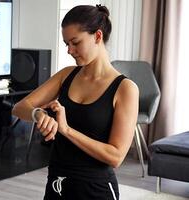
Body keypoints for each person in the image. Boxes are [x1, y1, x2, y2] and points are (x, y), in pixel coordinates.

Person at [12, 5, 139, 200]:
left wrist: (66, 130)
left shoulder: (125, 89)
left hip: (96, 189)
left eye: (75, 42)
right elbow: (19, 107)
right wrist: (39, 114)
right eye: (66, 43)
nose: (70, 50)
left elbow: (116, 156)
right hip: (57, 184)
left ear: (97, 36)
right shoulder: (66, 75)